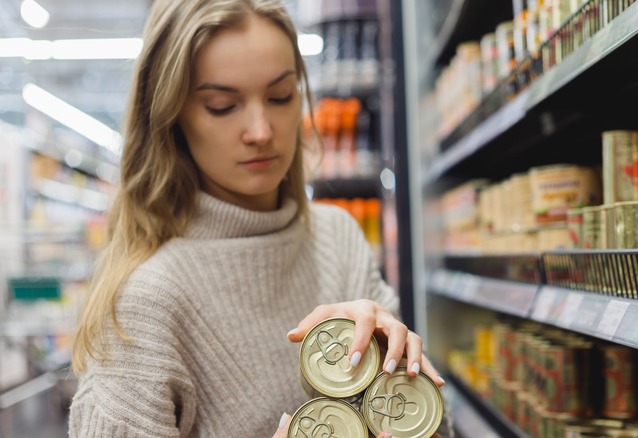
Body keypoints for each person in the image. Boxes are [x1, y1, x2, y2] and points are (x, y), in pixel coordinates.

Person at [68, 0, 448, 436]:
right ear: (170, 116)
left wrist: (405, 386)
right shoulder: (144, 303)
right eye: (221, 105)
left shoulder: (337, 237)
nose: (262, 131)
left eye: (280, 96)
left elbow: (434, 426)